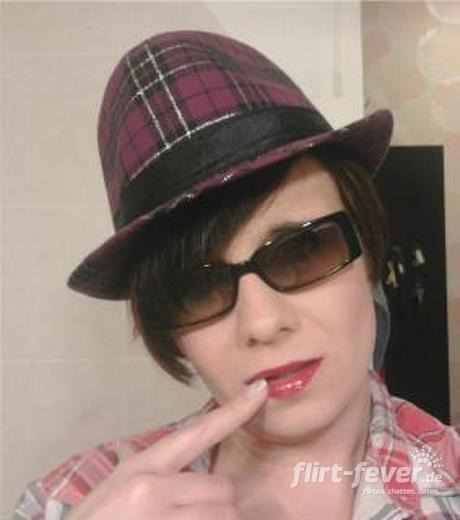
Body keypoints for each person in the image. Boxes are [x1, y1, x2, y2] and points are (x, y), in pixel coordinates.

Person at [12, 30, 459, 520]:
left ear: (368, 253)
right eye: (201, 287)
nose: (262, 323)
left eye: (301, 251)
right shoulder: (64, 501)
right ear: (171, 330)